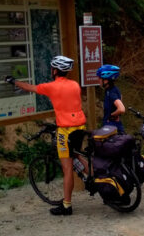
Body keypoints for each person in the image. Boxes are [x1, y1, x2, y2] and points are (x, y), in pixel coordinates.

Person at [5, 55, 86, 216]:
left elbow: (31, 88)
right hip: (80, 126)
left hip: (66, 130)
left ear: (55, 70)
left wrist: (13, 81)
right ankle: (96, 177)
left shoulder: (52, 87)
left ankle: (67, 205)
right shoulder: (75, 85)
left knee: (67, 168)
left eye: (52, 69)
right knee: (77, 154)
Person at [97, 64, 125, 134]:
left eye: (100, 78)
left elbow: (121, 109)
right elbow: (121, 97)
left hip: (111, 127)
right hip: (112, 125)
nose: (98, 80)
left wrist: (112, 115)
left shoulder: (111, 92)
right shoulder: (112, 89)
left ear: (106, 80)